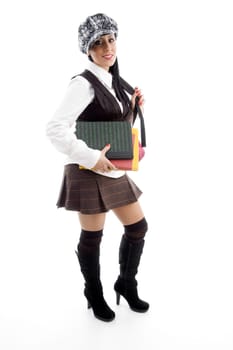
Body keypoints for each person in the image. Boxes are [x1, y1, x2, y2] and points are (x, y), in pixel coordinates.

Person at [46, 13, 149, 322]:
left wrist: (132, 110)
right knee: (93, 237)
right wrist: (90, 157)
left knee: (138, 227)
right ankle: (94, 292)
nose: (108, 48)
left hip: (112, 169)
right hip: (87, 170)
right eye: (98, 43)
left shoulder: (115, 81)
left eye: (111, 39)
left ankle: (126, 283)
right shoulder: (82, 83)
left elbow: (108, 128)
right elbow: (54, 128)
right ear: (87, 50)